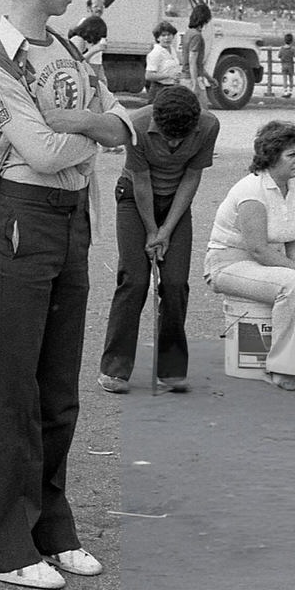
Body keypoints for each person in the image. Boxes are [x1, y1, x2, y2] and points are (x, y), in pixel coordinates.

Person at [0, 0, 134, 590]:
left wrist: (83, 122)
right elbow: (44, 149)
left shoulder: (67, 49)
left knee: (58, 391)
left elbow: (122, 123)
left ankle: (51, 527)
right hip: (24, 220)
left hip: (70, 215)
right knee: (12, 389)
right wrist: (96, 130)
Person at [204, 120, 295, 391]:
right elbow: (258, 248)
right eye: (292, 155)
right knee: (294, 283)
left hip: (264, 264)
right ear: (272, 157)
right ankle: (282, 367)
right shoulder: (251, 190)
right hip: (228, 264)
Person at [96, 84, 218, 394]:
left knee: (175, 283)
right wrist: (152, 230)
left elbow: (192, 177)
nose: (174, 142)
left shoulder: (208, 125)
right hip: (135, 201)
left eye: (181, 137)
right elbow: (141, 180)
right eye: (168, 136)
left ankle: (172, 368)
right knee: (134, 280)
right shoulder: (136, 124)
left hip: (177, 204)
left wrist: (166, 230)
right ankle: (115, 369)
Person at [180, 2, 215, 110]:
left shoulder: (188, 33)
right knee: (203, 111)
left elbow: (196, 63)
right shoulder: (197, 36)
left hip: (185, 78)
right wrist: (195, 84)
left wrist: (209, 78)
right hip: (193, 79)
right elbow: (193, 61)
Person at [71, 0, 107, 85]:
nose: (99, 9)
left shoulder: (99, 24)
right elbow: (77, 60)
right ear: (88, 8)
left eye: (102, 7)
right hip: (87, 67)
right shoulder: (85, 26)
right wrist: (94, 50)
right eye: (96, 6)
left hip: (96, 65)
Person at [143, 20, 179, 99]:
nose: (167, 38)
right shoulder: (156, 52)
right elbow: (149, 76)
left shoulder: (172, 50)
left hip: (171, 87)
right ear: (158, 38)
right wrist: (168, 76)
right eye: (163, 35)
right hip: (159, 89)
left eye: (169, 35)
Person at [278, 32, 295, 97]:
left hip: (283, 65)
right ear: (291, 41)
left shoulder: (281, 48)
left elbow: (279, 56)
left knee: (285, 79)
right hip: (290, 65)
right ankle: (290, 91)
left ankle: (285, 91)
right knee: (291, 78)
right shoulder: (292, 49)